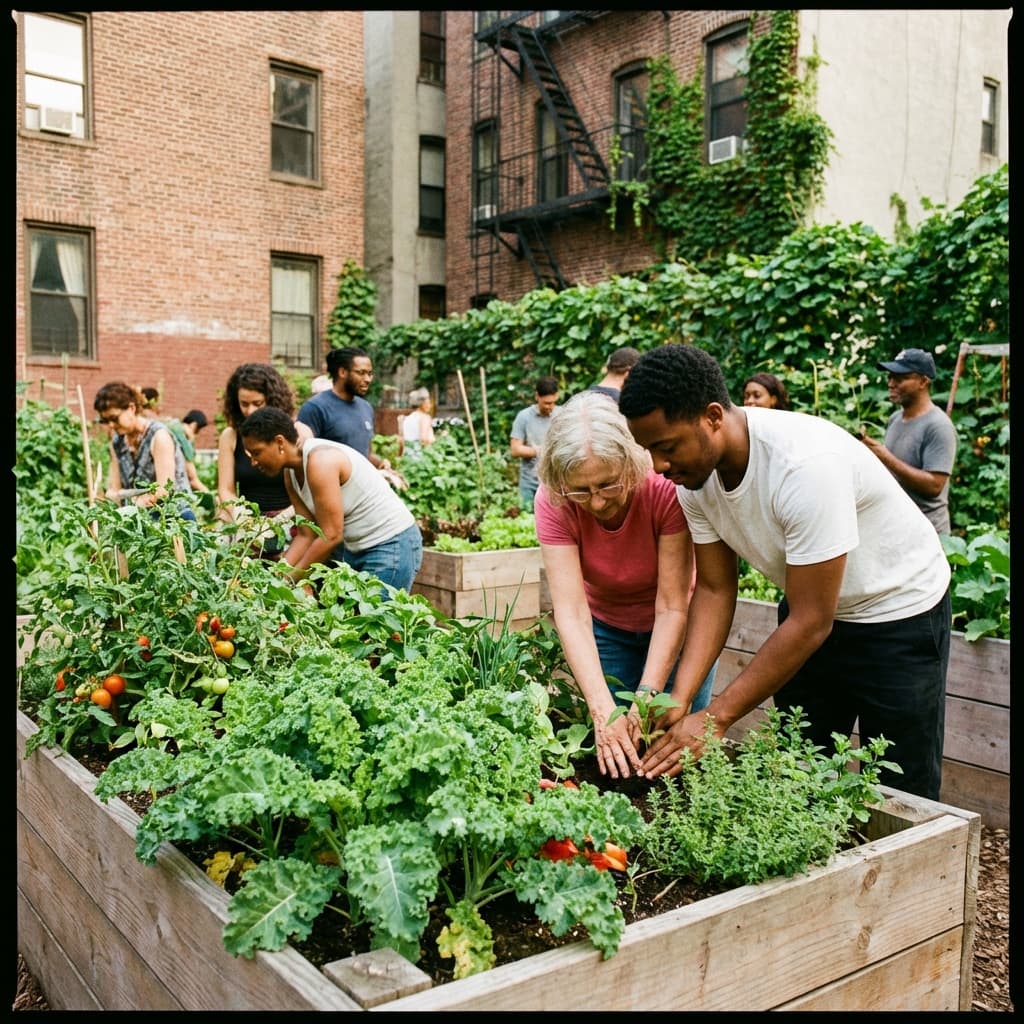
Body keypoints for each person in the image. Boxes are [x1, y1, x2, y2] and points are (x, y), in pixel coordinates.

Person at [619, 343, 952, 801]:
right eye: (649, 450)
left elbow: (812, 621)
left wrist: (715, 718)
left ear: (712, 417)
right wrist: (679, 697)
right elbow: (714, 589)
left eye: (667, 447)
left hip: (899, 615)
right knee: (802, 770)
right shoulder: (693, 480)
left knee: (902, 791)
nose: (658, 467)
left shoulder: (804, 467)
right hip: (810, 614)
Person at [535, 391, 717, 779]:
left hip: (678, 627)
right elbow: (571, 611)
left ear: (630, 464)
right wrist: (602, 709)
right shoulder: (554, 500)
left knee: (678, 751)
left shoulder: (663, 488)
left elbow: (672, 605)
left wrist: (648, 696)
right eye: (581, 490)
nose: (597, 502)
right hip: (608, 627)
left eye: (608, 485)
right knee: (616, 744)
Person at [238, 406, 422, 594]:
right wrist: (275, 578)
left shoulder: (320, 462)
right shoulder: (290, 474)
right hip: (357, 549)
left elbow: (331, 535)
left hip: (391, 544)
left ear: (279, 442)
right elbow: (306, 534)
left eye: (257, 452)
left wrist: (287, 581)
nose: (254, 462)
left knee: (377, 612)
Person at [217, 363, 313, 556]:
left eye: (257, 403)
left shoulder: (299, 433)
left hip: (290, 521)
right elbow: (225, 489)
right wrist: (241, 516)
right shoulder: (230, 436)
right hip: (247, 525)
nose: (250, 411)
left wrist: (279, 520)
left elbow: (310, 492)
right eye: (244, 404)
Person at [859, 348, 957, 536]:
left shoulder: (938, 425)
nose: (891, 383)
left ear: (923, 381)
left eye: (900, 378)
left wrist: (884, 456)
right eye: (890, 377)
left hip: (928, 534)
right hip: (898, 529)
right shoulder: (895, 419)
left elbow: (934, 486)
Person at [93, 381, 196, 520]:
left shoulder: (159, 436)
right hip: (140, 519)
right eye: (106, 421)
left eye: (114, 418)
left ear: (131, 408)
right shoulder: (117, 442)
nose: (111, 425)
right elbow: (115, 489)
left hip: (174, 518)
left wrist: (133, 503)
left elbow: (165, 490)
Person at [297, 347, 392, 472]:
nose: (367, 379)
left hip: (360, 484)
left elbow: (364, 454)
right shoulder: (315, 408)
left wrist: (380, 464)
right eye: (361, 373)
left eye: (370, 374)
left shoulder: (366, 407)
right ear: (342, 372)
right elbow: (302, 458)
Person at [510, 375, 559, 511]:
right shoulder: (524, 417)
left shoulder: (562, 415)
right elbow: (515, 449)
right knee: (525, 519)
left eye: (553, 402)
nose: (550, 407)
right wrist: (542, 451)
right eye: (546, 403)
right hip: (529, 484)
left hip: (554, 484)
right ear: (537, 396)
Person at [400, 387, 436, 455]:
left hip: (407, 454)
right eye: (428, 403)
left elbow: (401, 439)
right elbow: (424, 439)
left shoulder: (407, 418)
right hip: (419, 455)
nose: (430, 406)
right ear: (423, 404)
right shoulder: (425, 417)